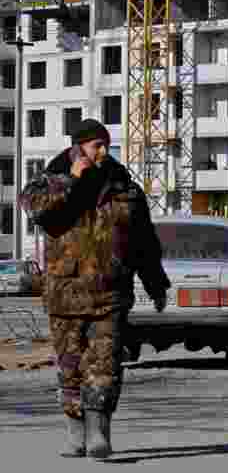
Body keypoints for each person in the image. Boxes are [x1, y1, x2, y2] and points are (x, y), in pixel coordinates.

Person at [19, 119, 170, 459]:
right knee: (71, 369)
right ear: (79, 147)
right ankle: (75, 433)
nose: (102, 151)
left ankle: (99, 431)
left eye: (105, 144)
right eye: (95, 145)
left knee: (105, 367)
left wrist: (156, 284)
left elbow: (143, 241)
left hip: (110, 295)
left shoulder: (123, 187)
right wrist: (71, 179)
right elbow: (36, 210)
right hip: (65, 296)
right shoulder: (52, 179)